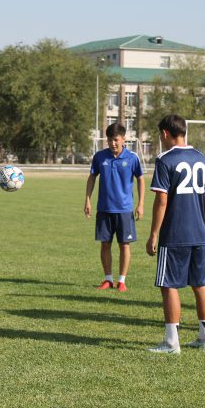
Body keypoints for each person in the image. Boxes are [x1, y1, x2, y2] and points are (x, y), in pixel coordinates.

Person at [145, 115, 205, 354]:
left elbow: (161, 201)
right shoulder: (201, 158)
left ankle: (172, 342)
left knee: (168, 285)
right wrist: (201, 225)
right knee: (200, 284)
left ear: (165, 133)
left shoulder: (165, 160)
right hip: (198, 232)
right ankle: (204, 338)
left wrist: (154, 234)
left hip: (174, 232)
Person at [84, 122, 145, 292]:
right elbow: (92, 177)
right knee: (105, 244)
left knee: (124, 245)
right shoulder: (99, 157)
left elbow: (140, 179)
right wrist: (87, 200)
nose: (113, 143)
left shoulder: (132, 158)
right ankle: (108, 279)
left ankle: (122, 281)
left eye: (116, 140)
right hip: (104, 208)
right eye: (110, 140)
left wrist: (140, 204)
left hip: (124, 209)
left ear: (124, 139)